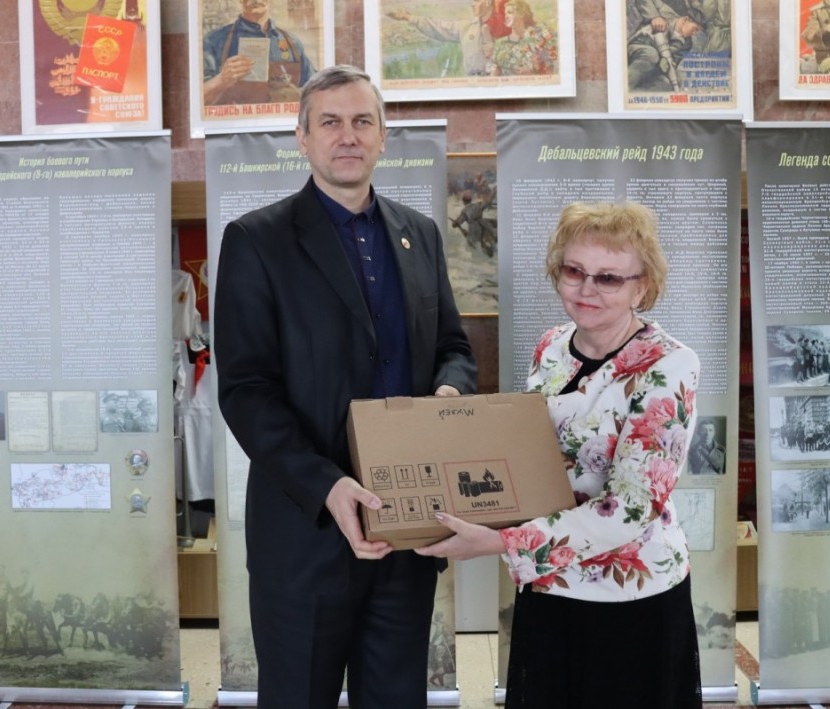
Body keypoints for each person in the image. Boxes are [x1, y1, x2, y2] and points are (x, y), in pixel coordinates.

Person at [214, 64, 476, 707]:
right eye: (330, 122)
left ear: (383, 137)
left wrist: (449, 398)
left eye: (363, 121)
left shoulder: (421, 235)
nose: (348, 135)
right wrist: (327, 485)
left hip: (408, 527)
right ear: (302, 138)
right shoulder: (255, 241)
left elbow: (453, 349)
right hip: (305, 532)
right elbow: (246, 389)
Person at [414, 202, 701, 708]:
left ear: (642, 287)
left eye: (608, 278)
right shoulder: (552, 345)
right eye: (574, 271)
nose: (587, 289)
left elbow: (631, 508)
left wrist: (499, 541)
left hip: (628, 600)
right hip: (550, 588)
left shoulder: (669, 365)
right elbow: (532, 458)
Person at [203, 0, 315, 106]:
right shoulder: (214, 41)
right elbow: (197, 99)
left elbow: (315, 88)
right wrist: (221, 80)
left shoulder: (292, 43)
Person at [386, 0, 496, 76]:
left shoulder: (502, 26)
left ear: (488, 2)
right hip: (473, 82)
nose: (472, 4)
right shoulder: (466, 27)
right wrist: (409, 17)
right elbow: (439, 27)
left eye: (477, 1)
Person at [627, 8, 706, 91]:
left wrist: (663, 67)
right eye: (695, 29)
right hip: (638, 47)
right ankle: (627, 86)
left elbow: (674, 62)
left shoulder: (687, 44)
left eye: (698, 31)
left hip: (655, 66)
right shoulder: (664, 19)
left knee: (672, 82)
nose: (695, 33)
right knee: (651, 54)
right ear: (685, 20)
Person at [490, 0, 558, 76]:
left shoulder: (538, 40)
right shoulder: (500, 43)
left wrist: (532, 73)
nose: (506, 16)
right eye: (505, 13)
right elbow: (494, 70)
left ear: (521, 14)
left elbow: (550, 69)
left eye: (510, 12)